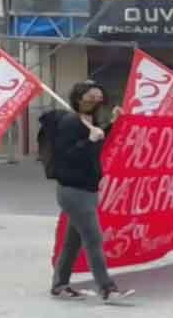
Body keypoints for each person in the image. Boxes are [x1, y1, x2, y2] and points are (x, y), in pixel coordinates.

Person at [47, 80, 133, 302]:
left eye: (98, 99)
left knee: (73, 242)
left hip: (88, 190)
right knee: (93, 239)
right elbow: (66, 155)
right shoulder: (69, 122)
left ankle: (60, 285)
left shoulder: (90, 122)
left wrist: (111, 125)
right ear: (79, 99)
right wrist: (88, 141)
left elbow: (99, 142)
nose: (95, 102)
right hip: (73, 191)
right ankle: (107, 289)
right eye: (90, 98)